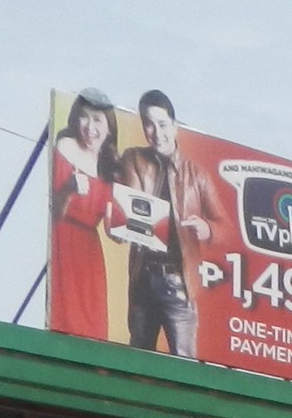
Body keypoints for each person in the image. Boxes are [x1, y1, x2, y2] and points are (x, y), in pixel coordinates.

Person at [110, 89, 231, 358]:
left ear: (175, 126)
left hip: (179, 283)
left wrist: (207, 228)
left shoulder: (196, 174)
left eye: (162, 124)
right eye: (149, 125)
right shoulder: (134, 159)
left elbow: (227, 228)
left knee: (183, 364)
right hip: (143, 279)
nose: (156, 132)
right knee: (137, 362)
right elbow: (122, 207)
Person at [44, 91, 120, 339]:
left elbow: (113, 229)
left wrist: (130, 230)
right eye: (84, 118)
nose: (90, 127)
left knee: (92, 329)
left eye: (97, 120)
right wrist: (69, 189)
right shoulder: (65, 148)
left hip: (89, 255)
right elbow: (56, 212)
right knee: (62, 322)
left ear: (108, 127)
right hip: (64, 243)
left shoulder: (110, 166)